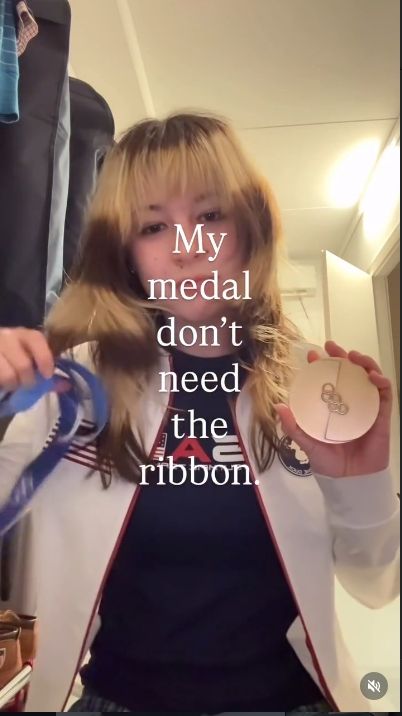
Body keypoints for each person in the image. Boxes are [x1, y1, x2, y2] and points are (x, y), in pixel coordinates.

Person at [0, 112, 399, 714]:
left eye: (211, 216)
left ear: (250, 227)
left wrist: (360, 483)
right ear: (126, 253)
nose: (188, 250)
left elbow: (376, 585)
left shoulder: (313, 386)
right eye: (154, 226)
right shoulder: (70, 386)